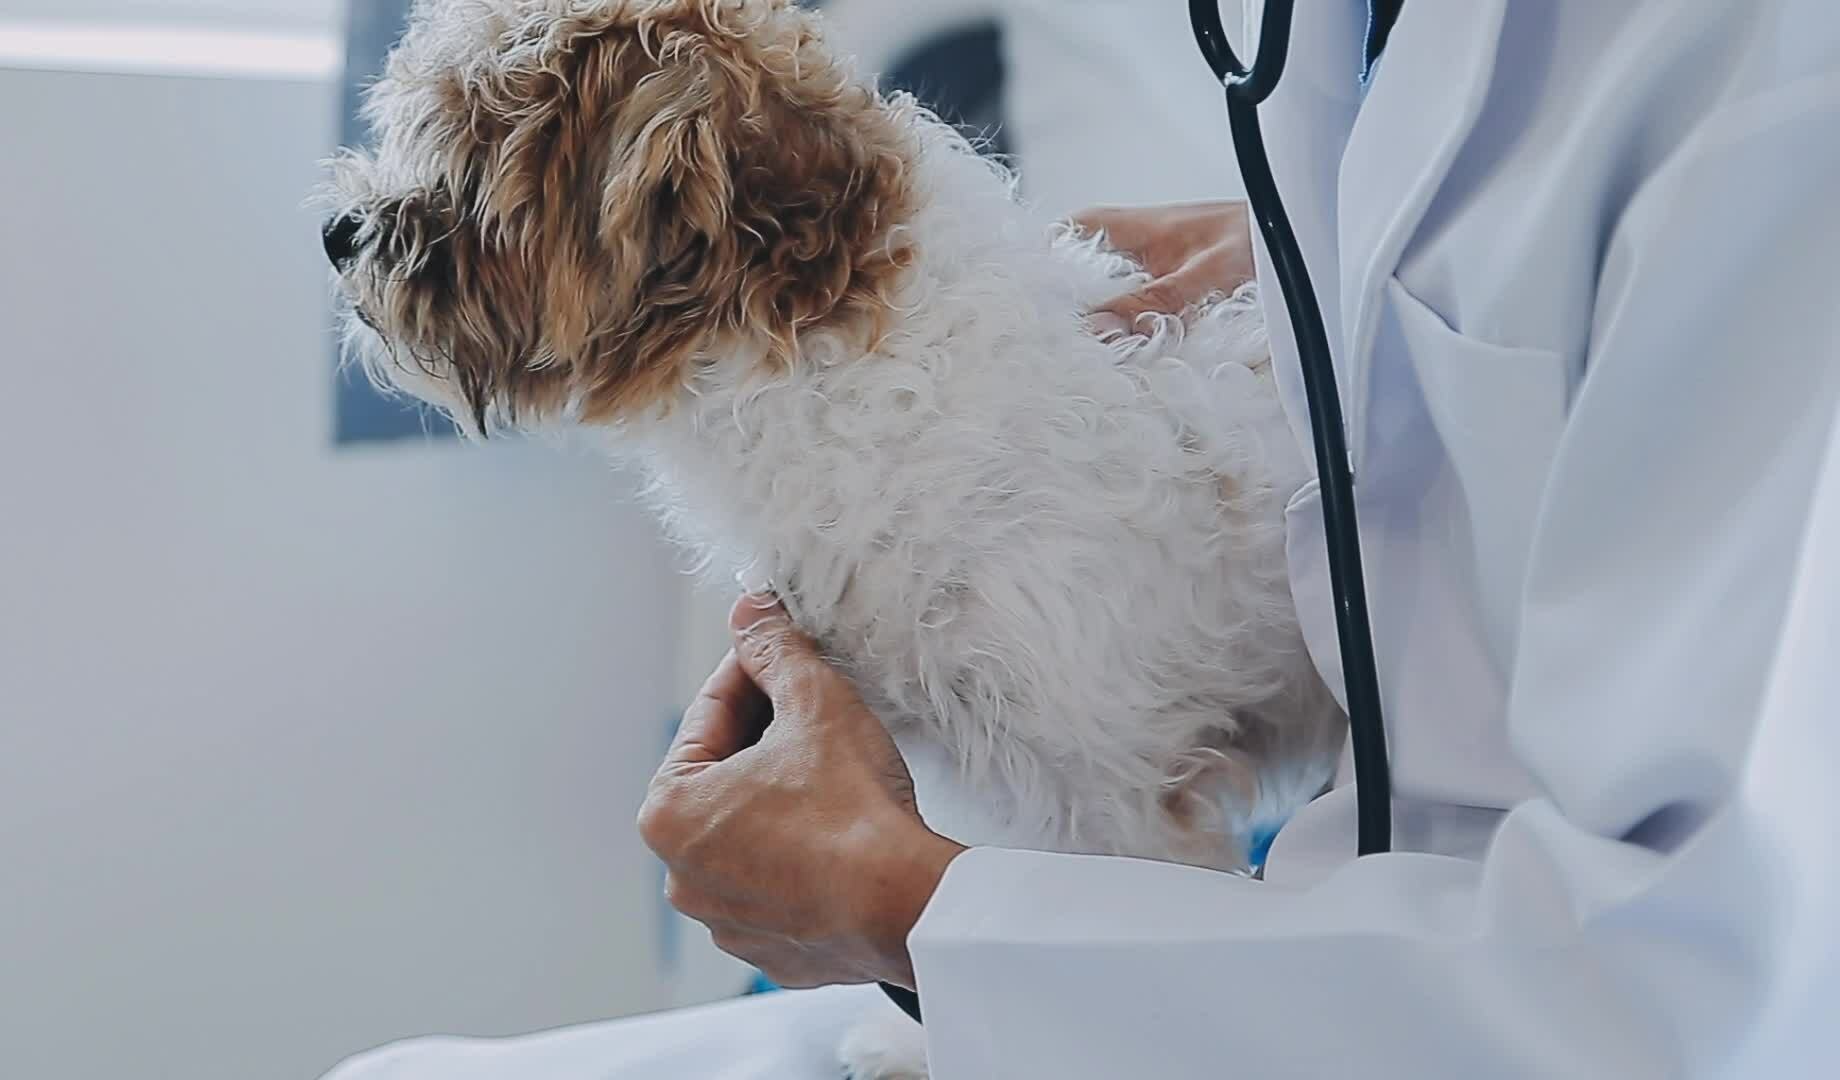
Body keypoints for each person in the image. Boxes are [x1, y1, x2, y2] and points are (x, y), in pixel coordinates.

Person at [330, 2, 1840, 1076]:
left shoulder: (1758, 86)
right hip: (1301, 945)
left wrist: (894, 910)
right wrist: (1318, 252)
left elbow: (1677, 987)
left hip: (1472, 993)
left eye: (466, 195)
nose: (370, 228)